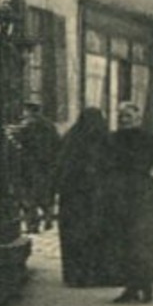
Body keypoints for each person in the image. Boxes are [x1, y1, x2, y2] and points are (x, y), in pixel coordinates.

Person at [54, 107, 122, 287]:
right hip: (101, 198)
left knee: (75, 237)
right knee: (100, 236)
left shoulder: (72, 139)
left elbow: (61, 168)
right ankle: (101, 274)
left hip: (74, 199)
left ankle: (76, 276)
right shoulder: (106, 140)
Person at [109, 101, 153, 304]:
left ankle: (146, 284)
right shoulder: (113, 139)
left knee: (143, 240)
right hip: (120, 194)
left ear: (138, 119)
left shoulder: (152, 140)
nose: (124, 120)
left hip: (144, 193)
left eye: (129, 116)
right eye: (121, 117)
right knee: (123, 241)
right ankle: (131, 287)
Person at [12, 100, 62, 232]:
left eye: (25, 110)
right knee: (44, 193)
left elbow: (20, 142)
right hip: (46, 165)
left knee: (28, 195)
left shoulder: (28, 125)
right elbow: (57, 144)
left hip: (30, 164)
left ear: (29, 111)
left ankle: (32, 225)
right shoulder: (49, 125)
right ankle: (48, 217)